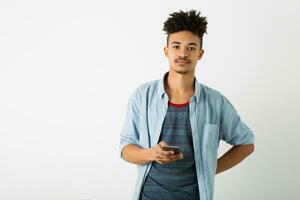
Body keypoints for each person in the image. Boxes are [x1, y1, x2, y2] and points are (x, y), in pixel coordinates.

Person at [119, 9, 255, 200]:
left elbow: (246, 144)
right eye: (176, 46)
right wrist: (152, 154)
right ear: (166, 51)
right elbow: (125, 149)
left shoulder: (216, 102)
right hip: (148, 195)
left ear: (200, 53)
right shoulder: (143, 96)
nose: (183, 53)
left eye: (191, 47)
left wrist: (207, 169)